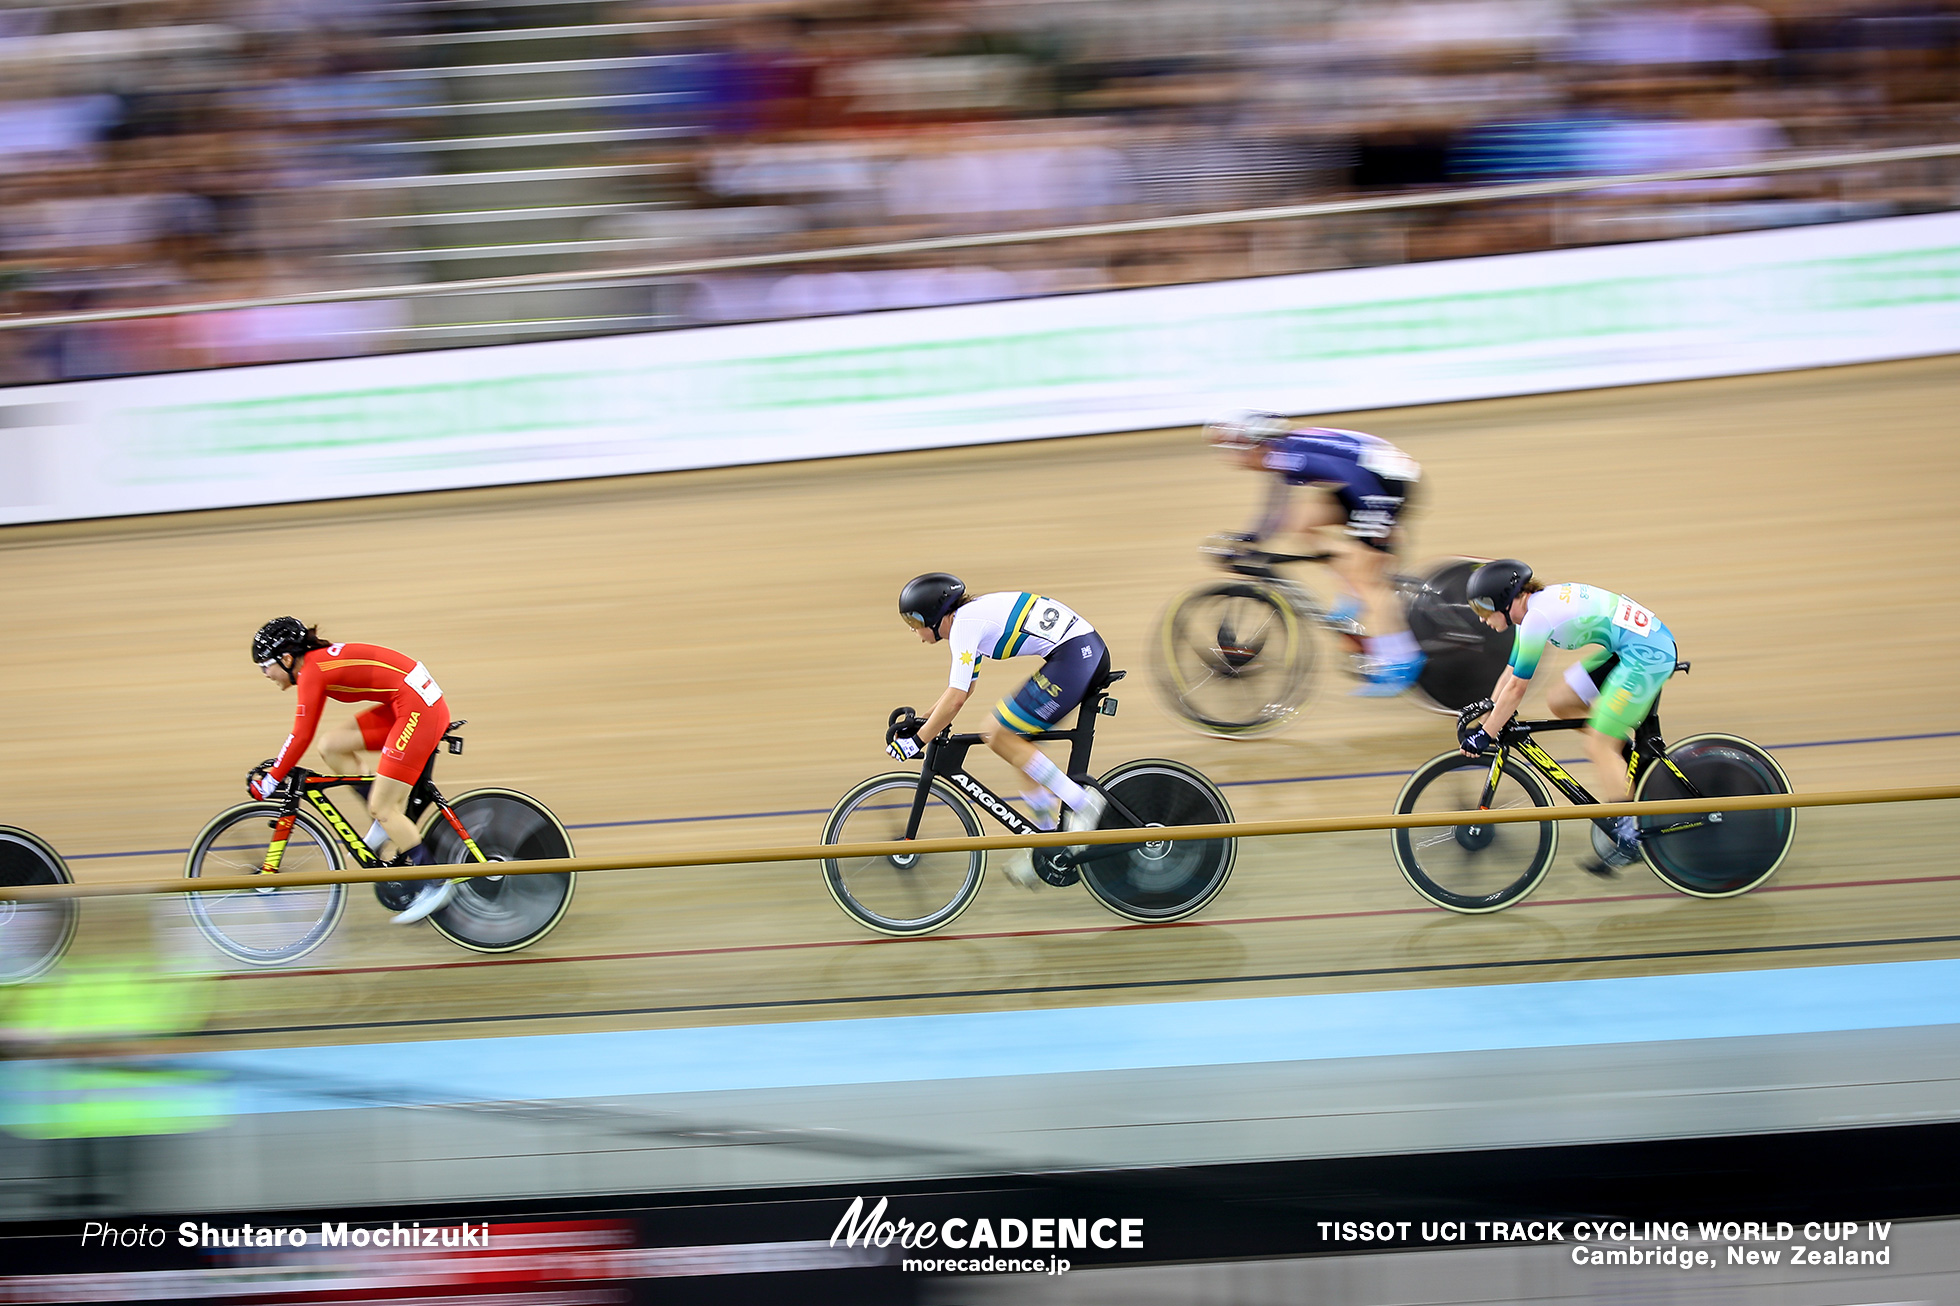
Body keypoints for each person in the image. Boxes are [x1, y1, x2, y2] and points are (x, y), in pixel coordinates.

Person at [1458, 561, 1680, 872]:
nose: (1481, 618)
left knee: (1597, 747)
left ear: (1505, 600)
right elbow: (1510, 675)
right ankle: (1625, 756)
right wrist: (1487, 716)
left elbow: (1518, 689)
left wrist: (1487, 733)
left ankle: (1630, 835)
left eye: (1483, 608)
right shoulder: (1529, 614)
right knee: (1561, 701)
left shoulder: (1536, 617)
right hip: (1632, 647)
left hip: (1647, 655)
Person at [891, 573, 1108, 890]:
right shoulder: (967, 621)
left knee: (998, 733)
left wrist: (915, 742)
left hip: (1077, 655)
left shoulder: (964, 626)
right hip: (1077, 653)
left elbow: (956, 697)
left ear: (935, 617)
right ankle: (1046, 843)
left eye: (914, 622)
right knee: (1018, 749)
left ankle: (1083, 803)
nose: (914, 631)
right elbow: (964, 688)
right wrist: (925, 721)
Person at [248, 617, 457, 924]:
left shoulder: (312, 673)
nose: (265, 673)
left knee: (384, 807)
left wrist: (271, 780)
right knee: (332, 745)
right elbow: (309, 738)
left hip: (417, 709)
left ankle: (435, 884)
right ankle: (386, 821)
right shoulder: (313, 665)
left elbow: (299, 736)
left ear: (287, 658)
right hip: (408, 700)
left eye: (265, 665)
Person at [1206, 411, 1424, 693]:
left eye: (1235, 449)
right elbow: (1275, 510)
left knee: (1368, 579)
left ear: (1253, 445)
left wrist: (1374, 532)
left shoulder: (1285, 455)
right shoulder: (1280, 453)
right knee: (1296, 521)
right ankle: (1351, 586)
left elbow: (1354, 477)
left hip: (1382, 487)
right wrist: (1250, 539)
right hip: (1371, 481)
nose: (1233, 459)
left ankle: (1403, 660)